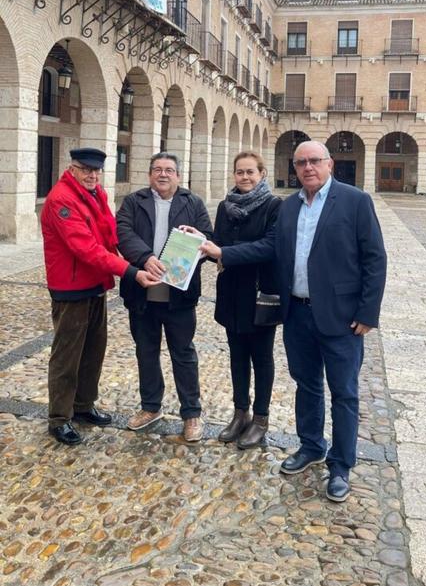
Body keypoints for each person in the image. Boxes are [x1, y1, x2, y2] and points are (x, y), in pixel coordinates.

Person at [276, 140, 387, 501]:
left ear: (330, 164)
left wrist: (367, 313)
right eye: (301, 163)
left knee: (344, 393)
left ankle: (340, 465)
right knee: (306, 385)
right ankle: (311, 446)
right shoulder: (289, 206)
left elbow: (375, 259)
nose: (308, 168)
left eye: (314, 161)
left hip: (341, 319)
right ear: (295, 169)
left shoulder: (355, 202)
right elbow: (273, 250)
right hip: (297, 313)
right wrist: (221, 251)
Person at [41, 147, 158, 446]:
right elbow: (85, 248)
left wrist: (143, 256)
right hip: (71, 288)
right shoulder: (61, 200)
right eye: (85, 169)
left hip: (95, 283)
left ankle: (82, 406)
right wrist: (130, 271)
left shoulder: (97, 194)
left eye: (96, 171)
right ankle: (59, 417)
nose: (92, 175)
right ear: (72, 168)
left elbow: (110, 236)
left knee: (93, 349)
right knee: (67, 355)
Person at [116, 152, 213, 442]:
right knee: (146, 352)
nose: (163, 174)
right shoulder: (134, 201)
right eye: (157, 169)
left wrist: (198, 239)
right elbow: (122, 232)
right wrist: (145, 258)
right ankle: (150, 407)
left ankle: (192, 413)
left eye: (169, 170)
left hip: (179, 296)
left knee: (183, 354)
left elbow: (208, 237)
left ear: (178, 176)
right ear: (149, 175)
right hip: (142, 293)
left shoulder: (192, 202)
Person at [199, 152, 282, 449]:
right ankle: (240, 413)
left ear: (261, 174)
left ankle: (260, 419)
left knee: (262, 358)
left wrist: (225, 253)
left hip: (260, 295)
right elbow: (219, 242)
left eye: (250, 172)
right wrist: (199, 243)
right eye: (239, 172)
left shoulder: (274, 206)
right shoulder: (225, 206)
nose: (244, 177)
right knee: (236, 357)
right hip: (231, 292)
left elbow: (270, 247)